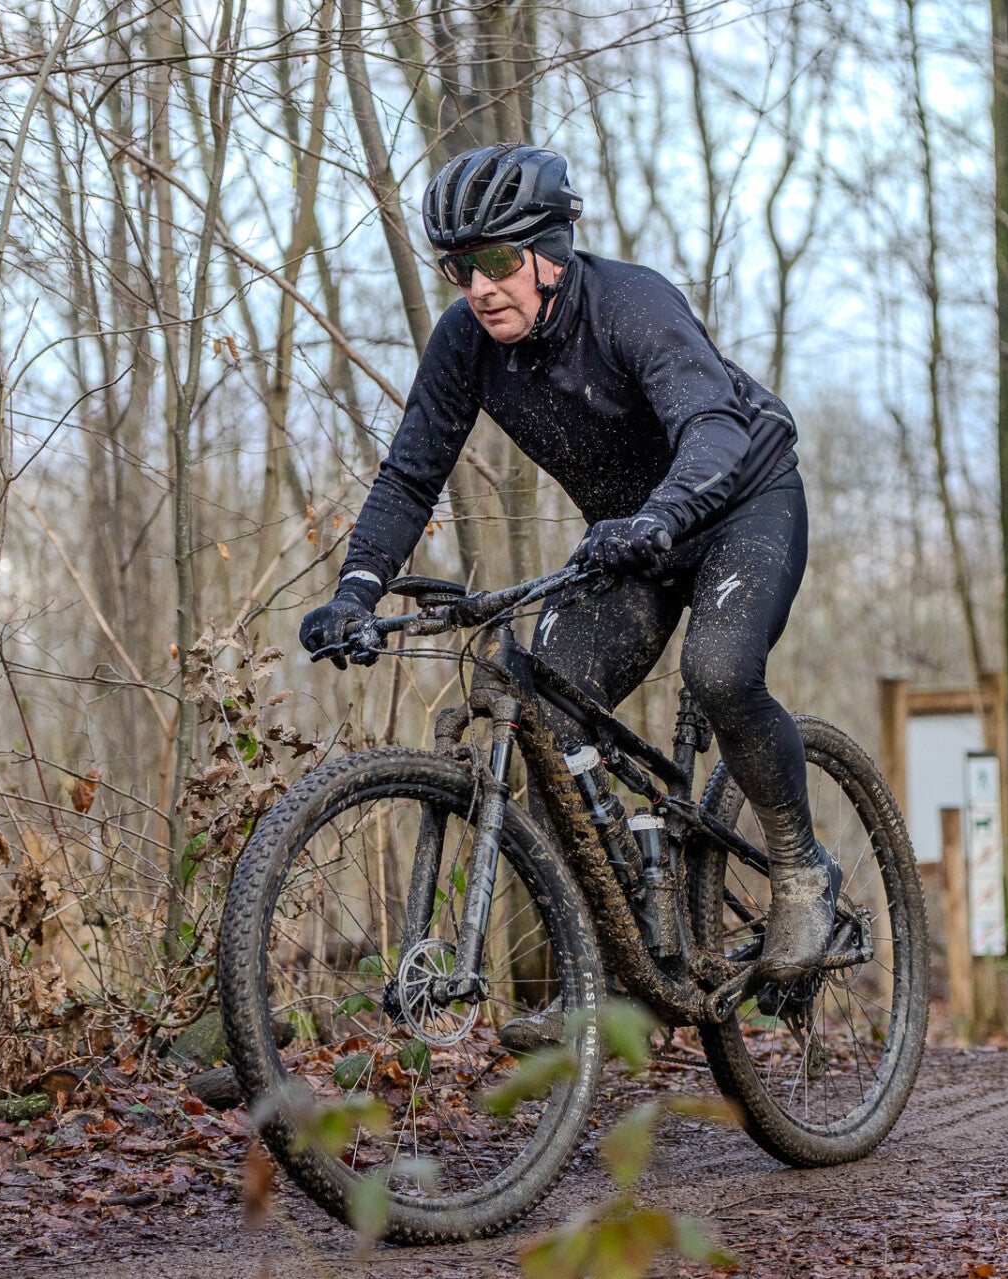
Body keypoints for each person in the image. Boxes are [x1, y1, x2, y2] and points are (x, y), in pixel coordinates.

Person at [299, 143, 838, 1043]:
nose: (480, 286)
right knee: (548, 710)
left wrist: (660, 515)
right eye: (459, 267)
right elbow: (410, 474)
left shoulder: (631, 303)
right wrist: (356, 589)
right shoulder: (465, 343)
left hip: (740, 502)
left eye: (498, 260)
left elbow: (712, 427)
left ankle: (800, 871)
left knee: (717, 670)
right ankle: (609, 966)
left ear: (551, 251)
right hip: (629, 540)